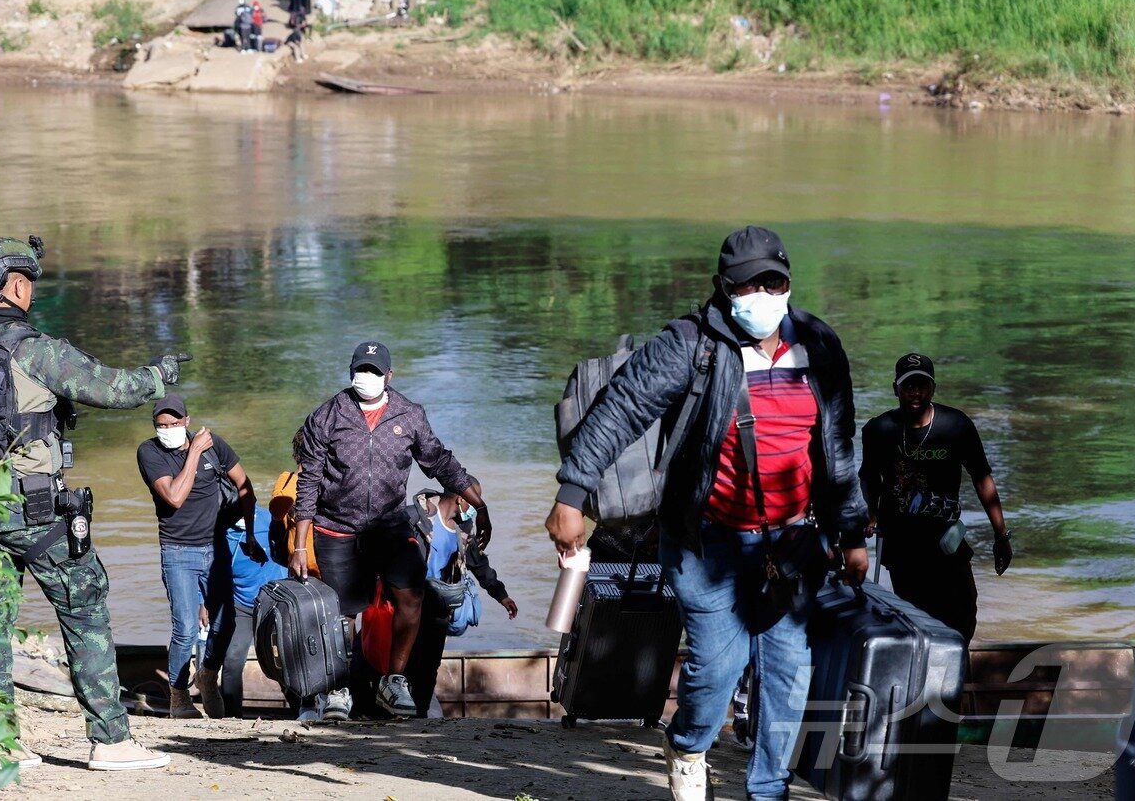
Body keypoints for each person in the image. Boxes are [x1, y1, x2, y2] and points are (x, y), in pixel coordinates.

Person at [545, 225, 869, 801]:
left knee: (790, 677)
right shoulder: (690, 344)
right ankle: (690, 744)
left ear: (789, 282)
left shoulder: (818, 345)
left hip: (792, 543)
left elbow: (838, 443)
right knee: (719, 668)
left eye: (776, 281)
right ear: (724, 287)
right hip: (707, 542)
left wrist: (850, 531)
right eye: (750, 285)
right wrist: (572, 493)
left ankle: (767, 791)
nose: (764, 295)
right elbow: (621, 407)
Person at [0, 236, 182, 771]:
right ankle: (110, 741)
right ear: (15, 285)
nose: (31, 292)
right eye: (30, 283)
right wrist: (160, 374)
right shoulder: (37, 350)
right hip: (35, 512)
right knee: (85, 609)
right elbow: (116, 389)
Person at [290, 340, 492, 720]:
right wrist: (300, 546)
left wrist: (479, 505)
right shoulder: (326, 417)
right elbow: (308, 483)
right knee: (342, 614)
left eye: (373, 371)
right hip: (337, 529)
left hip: (389, 526)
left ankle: (394, 681)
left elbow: (441, 463)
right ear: (350, 372)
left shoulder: (409, 415)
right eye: (360, 370)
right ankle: (338, 690)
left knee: (410, 601)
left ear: (389, 375)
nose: (365, 377)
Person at [860, 353, 1013, 643]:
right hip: (902, 546)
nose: (915, 392)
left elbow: (982, 479)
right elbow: (868, 477)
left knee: (965, 612)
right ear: (896, 389)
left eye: (922, 385)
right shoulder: (879, 430)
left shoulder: (956, 426)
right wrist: (871, 512)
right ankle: (928, 679)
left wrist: (1001, 535)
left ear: (933, 388)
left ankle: (954, 673)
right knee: (918, 619)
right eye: (908, 386)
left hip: (947, 543)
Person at [136, 395, 262, 719]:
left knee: (226, 622)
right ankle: (179, 696)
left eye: (175, 423)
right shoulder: (149, 453)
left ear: (187, 421)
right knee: (186, 629)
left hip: (215, 547)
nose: (168, 430)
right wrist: (193, 452)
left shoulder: (214, 445)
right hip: (177, 550)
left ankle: (207, 674)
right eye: (162, 425)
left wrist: (248, 534)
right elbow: (175, 497)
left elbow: (245, 485)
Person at [404, 490, 517, 717]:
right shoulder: (416, 519)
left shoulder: (463, 530)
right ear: (460, 499)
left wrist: (501, 595)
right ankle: (398, 708)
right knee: (406, 660)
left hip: (438, 608)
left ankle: (420, 714)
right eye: (474, 501)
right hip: (410, 604)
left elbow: (480, 566)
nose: (476, 507)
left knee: (429, 665)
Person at [202, 504, 288, 718]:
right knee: (232, 659)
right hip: (241, 605)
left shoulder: (270, 520)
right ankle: (232, 717)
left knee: (286, 658)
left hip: (275, 603)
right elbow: (204, 573)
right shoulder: (216, 534)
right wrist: (202, 602)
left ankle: (303, 710)